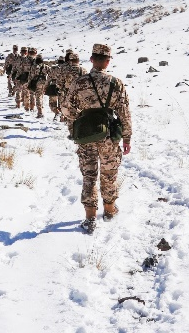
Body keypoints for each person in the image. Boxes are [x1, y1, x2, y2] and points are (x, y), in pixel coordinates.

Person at [61, 43, 132, 234]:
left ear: (92, 59)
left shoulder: (79, 83)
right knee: (109, 174)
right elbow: (124, 113)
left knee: (89, 175)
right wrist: (126, 138)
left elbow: (66, 109)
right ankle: (109, 211)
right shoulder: (116, 83)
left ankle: (90, 217)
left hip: (85, 135)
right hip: (109, 136)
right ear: (107, 62)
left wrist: (81, 118)